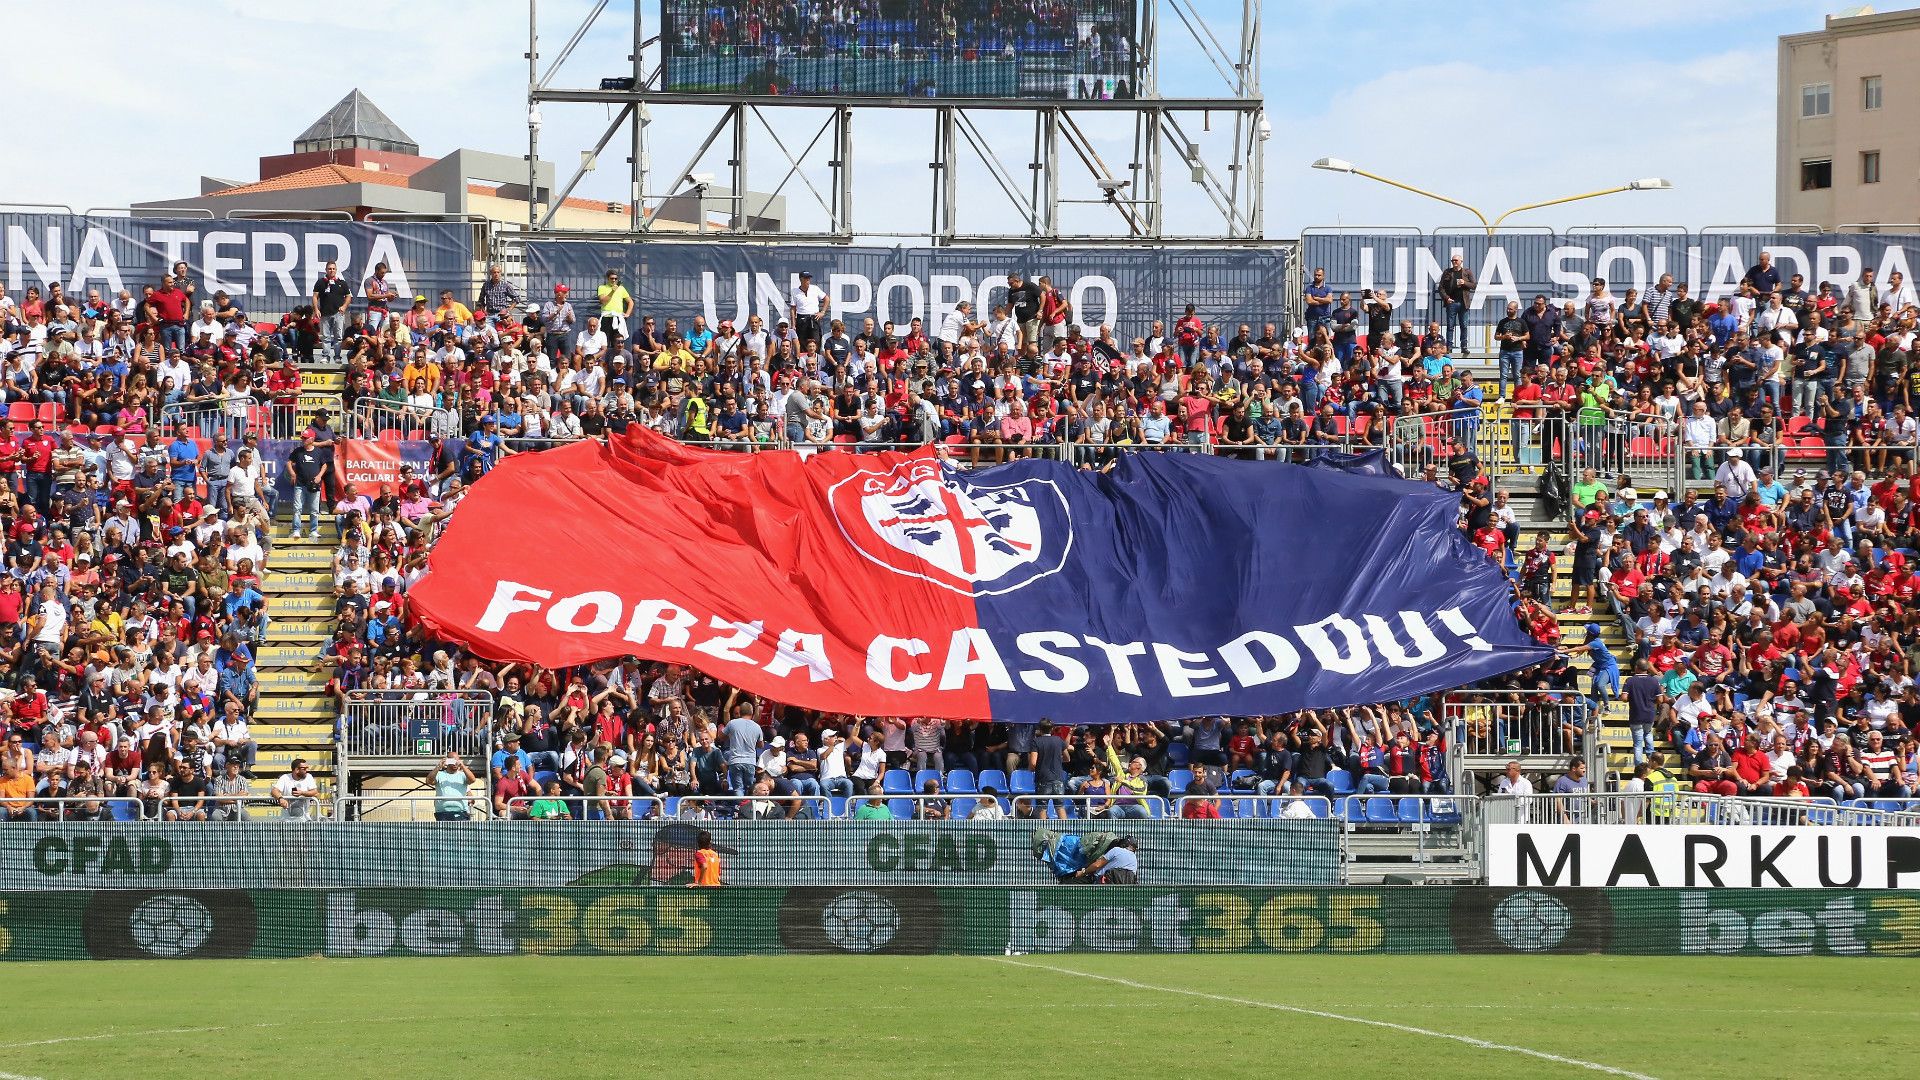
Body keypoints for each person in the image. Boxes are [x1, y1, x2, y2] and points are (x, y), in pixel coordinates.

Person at [431, 755, 477, 821]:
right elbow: (429, 781)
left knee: (461, 831)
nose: (455, 763)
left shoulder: (463, 775)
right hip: (442, 813)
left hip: (461, 812)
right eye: (453, 760)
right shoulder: (439, 774)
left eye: (457, 761)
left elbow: (472, 780)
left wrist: (463, 766)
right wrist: (438, 766)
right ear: (447, 761)